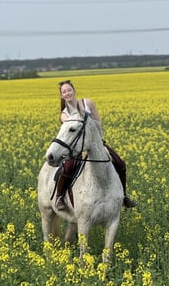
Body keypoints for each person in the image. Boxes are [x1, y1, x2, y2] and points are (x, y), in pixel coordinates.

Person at [54, 79, 137, 210]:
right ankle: (59, 196)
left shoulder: (88, 103)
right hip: (77, 147)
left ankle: (123, 196)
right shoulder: (64, 115)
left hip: (96, 143)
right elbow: (73, 132)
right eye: (64, 92)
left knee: (120, 163)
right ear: (61, 95)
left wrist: (98, 143)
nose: (67, 93)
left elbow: (98, 122)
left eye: (69, 90)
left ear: (74, 91)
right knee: (68, 168)